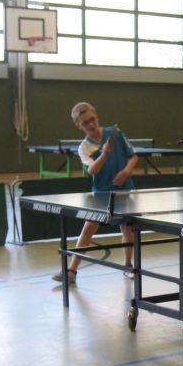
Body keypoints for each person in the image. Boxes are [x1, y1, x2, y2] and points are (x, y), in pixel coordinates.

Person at [52, 102, 139, 284]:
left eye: (92, 119)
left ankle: (128, 266)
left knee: (127, 228)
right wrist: (104, 154)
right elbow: (92, 170)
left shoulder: (116, 133)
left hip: (124, 189)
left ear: (96, 116)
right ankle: (71, 271)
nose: (91, 124)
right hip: (100, 194)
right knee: (88, 228)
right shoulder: (83, 148)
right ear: (79, 126)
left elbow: (133, 156)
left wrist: (125, 172)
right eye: (85, 122)